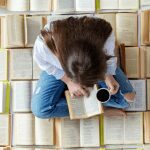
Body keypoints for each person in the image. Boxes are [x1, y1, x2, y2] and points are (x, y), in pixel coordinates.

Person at [31, 16, 136, 119]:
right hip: (59, 71)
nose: (85, 85)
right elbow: (46, 64)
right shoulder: (43, 45)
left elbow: (108, 57)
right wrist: (69, 81)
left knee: (127, 99)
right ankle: (96, 109)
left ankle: (92, 107)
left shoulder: (104, 34)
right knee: (41, 110)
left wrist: (108, 75)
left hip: (96, 66)